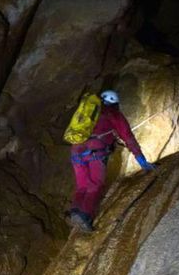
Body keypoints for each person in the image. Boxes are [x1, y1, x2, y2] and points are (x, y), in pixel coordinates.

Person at [65, 89, 154, 233]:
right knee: (95, 185)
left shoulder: (90, 111)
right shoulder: (114, 114)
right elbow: (128, 137)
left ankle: (75, 211)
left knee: (82, 186)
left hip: (76, 151)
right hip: (94, 153)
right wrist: (141, 160)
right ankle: (85, 216)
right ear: (115, 104)